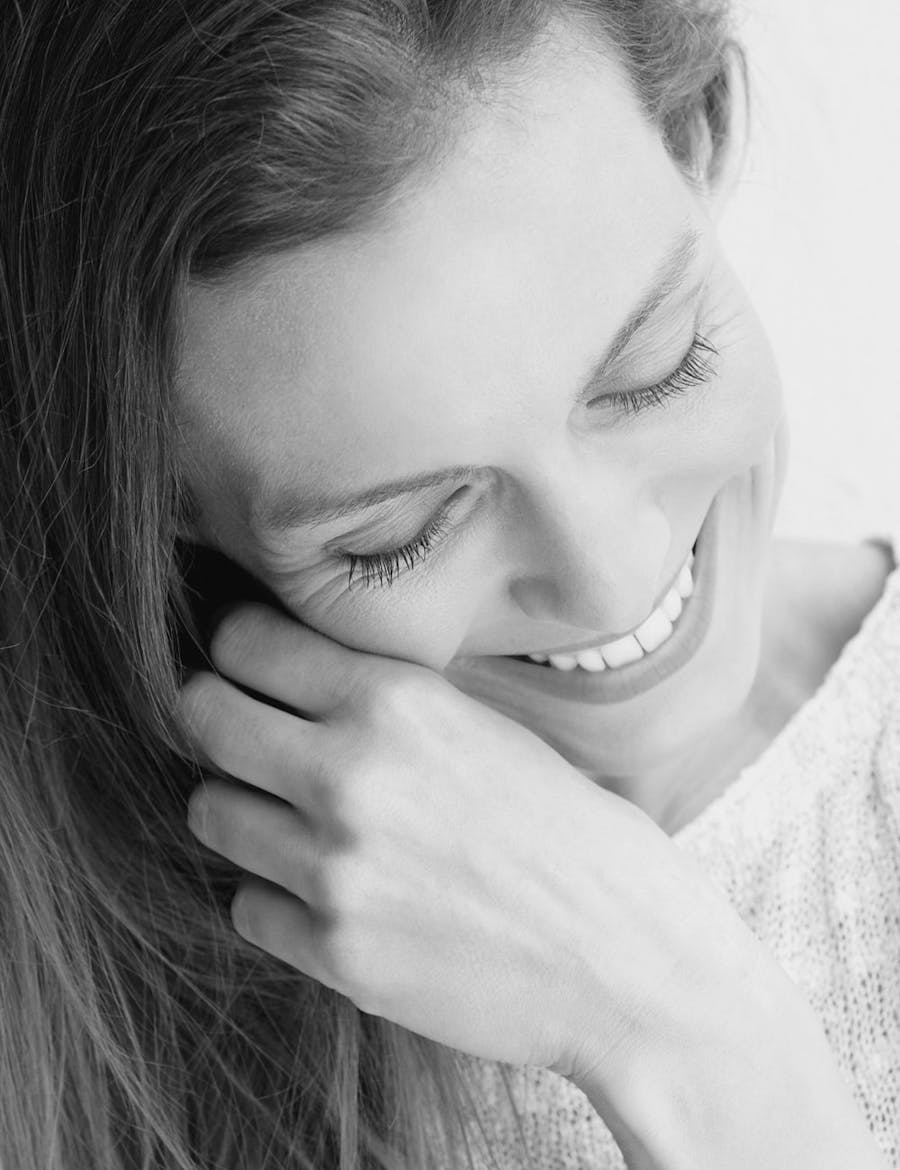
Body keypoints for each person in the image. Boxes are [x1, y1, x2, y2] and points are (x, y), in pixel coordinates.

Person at [1, 0, 898, 1167]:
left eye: (657, 368)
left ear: (700, 140)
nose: (611, 577)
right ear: (162, 516)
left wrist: (686, 1034)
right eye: (404, 531)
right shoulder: (84, 1013)